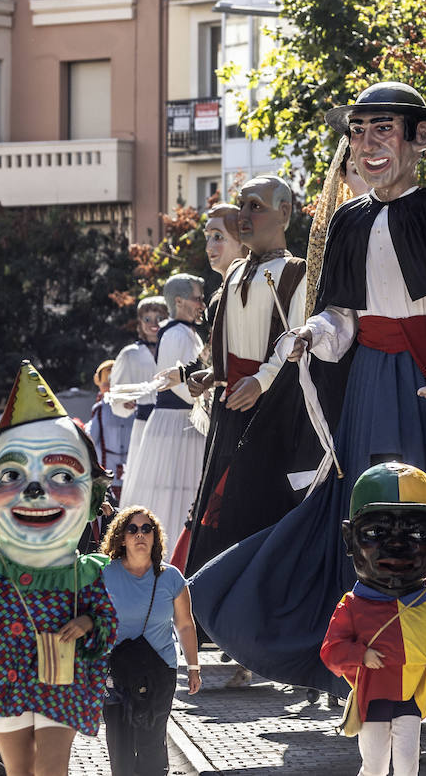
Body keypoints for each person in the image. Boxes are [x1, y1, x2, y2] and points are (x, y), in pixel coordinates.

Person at [192, 82, 426, 702]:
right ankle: (360, 662)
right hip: (368, 379)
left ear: (417, 138)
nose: (367, 144)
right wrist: (316, 332)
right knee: (359, 505)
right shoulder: (346, 221)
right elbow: (345, 317)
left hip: (420, 383)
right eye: (358, 132)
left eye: (382, 129)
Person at [0, 363, 118, 776]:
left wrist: (87, 624)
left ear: (92, 495)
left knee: (53, 766)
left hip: (63, 674)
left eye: (60, 473)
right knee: (19, 767)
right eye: (12, 474)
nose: (35, 491)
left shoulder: (84, 572)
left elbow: (107, 621)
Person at [170, 175, 310, 577]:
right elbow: (229, 349)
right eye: (242, 205)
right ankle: (214, 596)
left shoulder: (295, 273)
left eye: (256, 206)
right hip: (230, 409)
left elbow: (297, 343)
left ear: (284, 213)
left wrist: (262, 381)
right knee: (220, 504)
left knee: (261, 505)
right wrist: (210, 376)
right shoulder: (232, 275)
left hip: (275, 413)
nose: (244, 215)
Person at [320, 462, 426, 776]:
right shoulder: (353, 605)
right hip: (373, 695)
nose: (397, 545)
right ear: (349, 538)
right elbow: (331, 650)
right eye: (376, 532)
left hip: (410, 696)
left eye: (416, 533)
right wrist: (361, 654)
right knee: (373, 764)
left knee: (409, 764)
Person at [100, 506, 201, 775]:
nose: (140, 534)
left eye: (147, 529)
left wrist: (193, 668)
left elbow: (185, 624)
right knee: (119, 747)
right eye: (132, 529)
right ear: (121, 537)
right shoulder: (104, 574)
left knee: (151, 744)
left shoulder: (171, 577)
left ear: (155, 537)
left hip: (159, 672)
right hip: (115, 673)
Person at [120, 275, 207, 546]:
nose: (202, 304)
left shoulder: (186, 332)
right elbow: (178, 383)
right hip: (175, 423)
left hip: (186, 422)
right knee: (172, 490)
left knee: (185, 489)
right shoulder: (175, 333)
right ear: (179, 301)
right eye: (197, 298)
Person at [107, 295, 170, 489]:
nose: (153, 323)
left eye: (159, 318)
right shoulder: (129, 354)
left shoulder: (173, 347)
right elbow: (116, 395)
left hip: (172, 423)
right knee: (146, 480)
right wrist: (124, 404)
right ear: (140, 322)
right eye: (147, 319)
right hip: (144, 425)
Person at [85, 360, 129, 477]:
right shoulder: (133, 406)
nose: (109, 386)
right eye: (107, 383)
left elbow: (91, 438)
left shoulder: (100, 408)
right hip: (119, 466)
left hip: (115, 467)